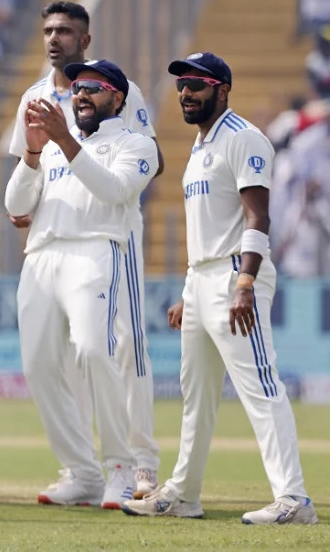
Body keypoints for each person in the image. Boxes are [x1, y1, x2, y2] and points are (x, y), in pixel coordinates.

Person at [122, 53, 318, 525]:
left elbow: (258, 217)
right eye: (181, 86)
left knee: (260, 386)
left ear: (222, 89)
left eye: (195, 84)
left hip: (236, 276)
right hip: (204, 277)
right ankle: (185, 495)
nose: (185, 93)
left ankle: (294, 498)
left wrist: (246, 281)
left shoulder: (244, 137)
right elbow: (207, 230)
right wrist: (190, 291)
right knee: (198, 394)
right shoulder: (200, 146)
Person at [6, 0, 162, 498]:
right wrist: (36, 155)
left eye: (65, 31)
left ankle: (133, 464)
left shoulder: (124, 105)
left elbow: (135, 172)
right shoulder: (37, 103)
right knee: (41, 363)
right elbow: (18, 194)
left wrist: (68, 144)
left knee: (110, 348)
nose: (55, 38)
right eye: (47, 30)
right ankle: (83, 471)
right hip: (46, 246)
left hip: (104, 242)